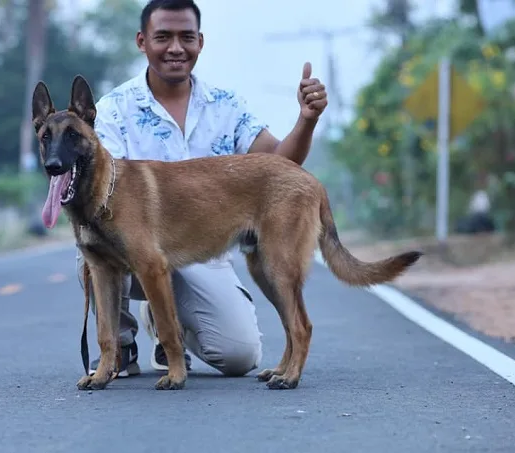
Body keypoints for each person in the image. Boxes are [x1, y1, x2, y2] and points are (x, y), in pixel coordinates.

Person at [77, 0, 328, 378]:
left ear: (200, 42)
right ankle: (120, 346)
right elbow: (97, 187)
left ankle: (168, 325)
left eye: (186, 37)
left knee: (239, 356)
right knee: (91, 241)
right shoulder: (114, 110)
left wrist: (306, 121)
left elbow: (280, 166)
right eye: (163, 37)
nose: (176, 48)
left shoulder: (226, 107)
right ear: (142, 41)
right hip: (134, 251)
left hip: (201, 254)